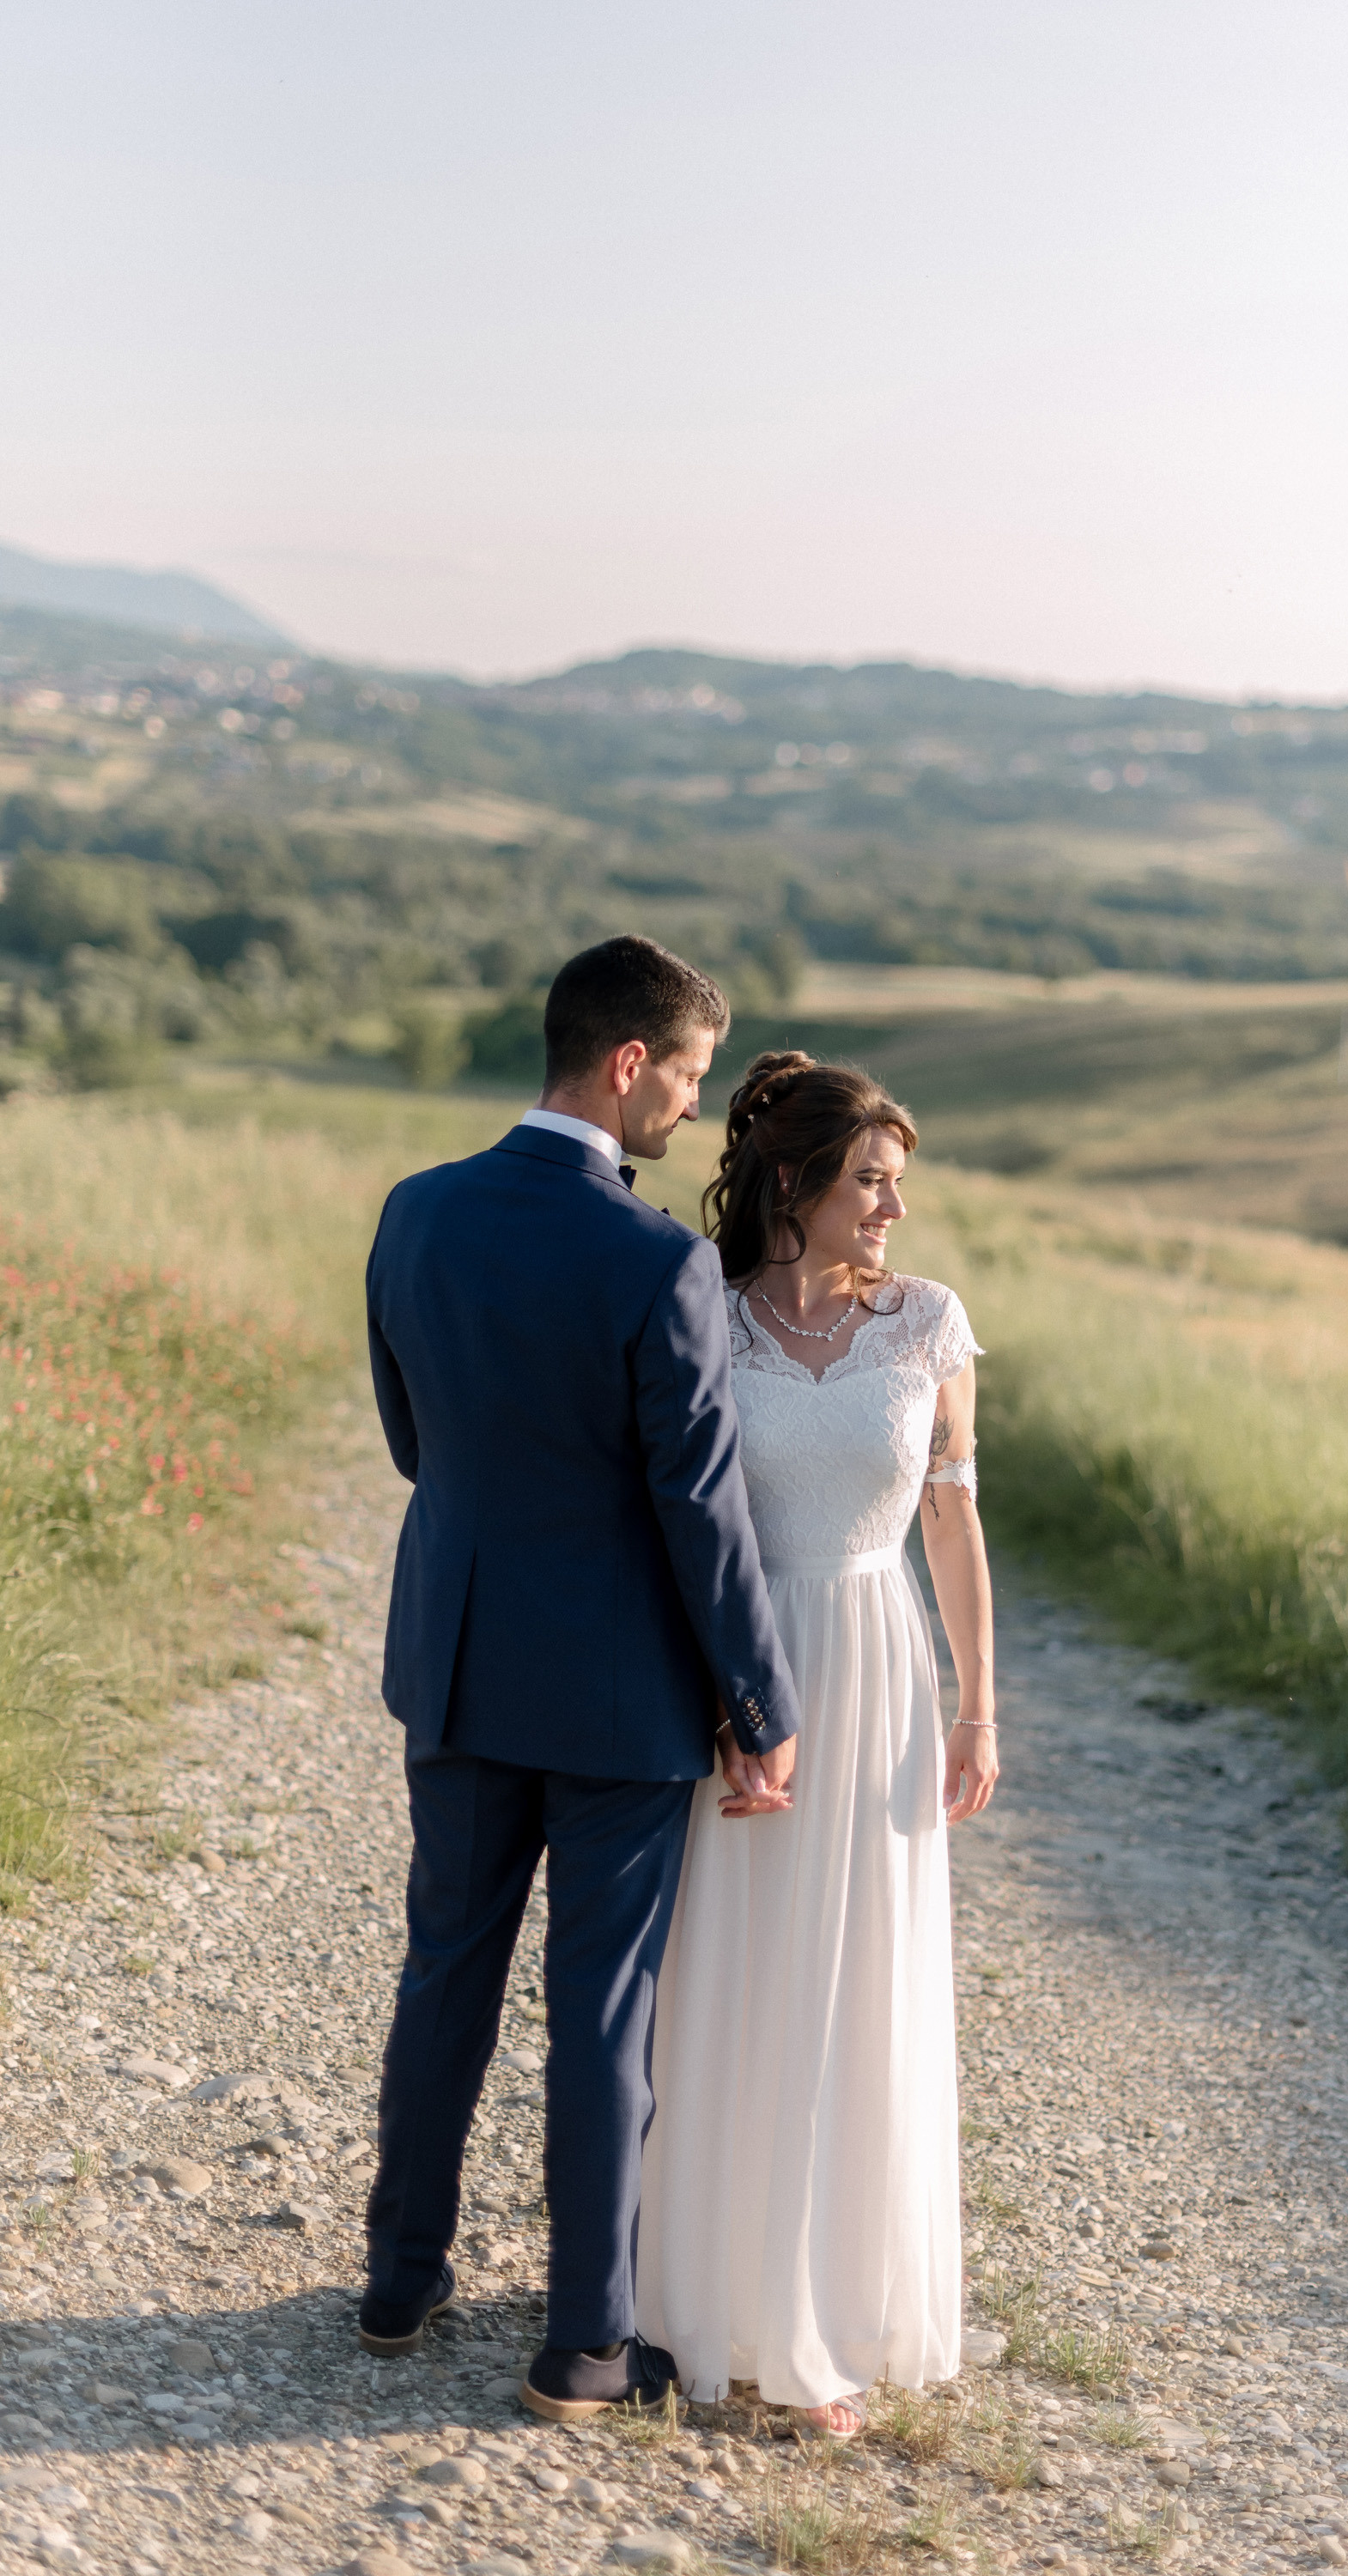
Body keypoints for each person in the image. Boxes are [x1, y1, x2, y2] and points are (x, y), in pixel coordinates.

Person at [359, 938, 801, 2421]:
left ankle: (400, 2283)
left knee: (444, 1975)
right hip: (618, 1703)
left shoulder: (415, 1214)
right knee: (600, 2014)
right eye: (682, 1074)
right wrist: (762, 1704)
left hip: (465, 1668)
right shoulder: (657, 1260)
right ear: (627, 1064)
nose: (687, 1106)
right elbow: (702, 1505)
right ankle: (585, 2346)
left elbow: (417, 1443)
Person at [637, 1050, 999, 2437]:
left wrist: (979, 1702)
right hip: (745, 1675)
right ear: (795, 1183)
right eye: (871, 1182)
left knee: (858, 1982)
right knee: (731, 1979)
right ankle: (713, 2296)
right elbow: (680, 1520)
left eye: (900, 1186)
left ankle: (836, 2304)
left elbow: (954, 1520)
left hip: (881, 1666)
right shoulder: (708, 1322)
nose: (893, 1212)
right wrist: (726, 1702)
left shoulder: (929, 1325)